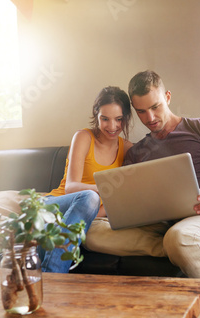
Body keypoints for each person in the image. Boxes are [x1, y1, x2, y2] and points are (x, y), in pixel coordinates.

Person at [84, 71, 200, 318]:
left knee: (181, 236)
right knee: (90, 233)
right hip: (167, 221)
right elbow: (133, 200)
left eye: (155, 107)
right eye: (142, 112)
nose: (150, 118)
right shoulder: (137, 153)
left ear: (167, 97)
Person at [38, 86, 133, 273]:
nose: (112, 126)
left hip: (81, 212)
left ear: (126, 118)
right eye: (105, 119)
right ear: (96, 115)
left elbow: (123, 197)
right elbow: (71, 187)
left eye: (118, 119)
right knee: (90, 197)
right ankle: (53, 275)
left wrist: (93, 213)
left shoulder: (128, 149)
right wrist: (106, 188)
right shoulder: (83, 137)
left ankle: (50, 277)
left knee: (91, 199)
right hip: (54, 204)